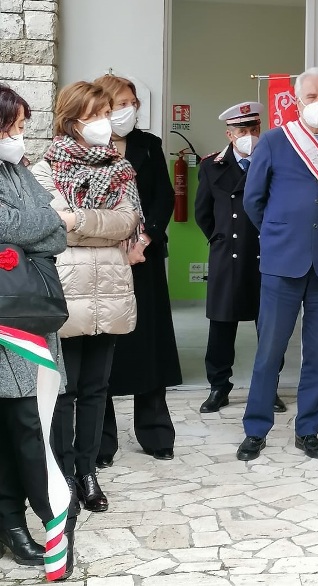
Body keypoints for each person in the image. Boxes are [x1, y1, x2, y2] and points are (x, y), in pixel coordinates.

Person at [239, 67, 318, 461]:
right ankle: (256, 429)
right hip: (282, 262)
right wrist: (281, 232)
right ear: (296, 100)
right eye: (311, 97)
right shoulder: (274, 141)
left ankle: (308, 430)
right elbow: (253, 200)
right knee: (269, 351)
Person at [32, 81, 141, 516]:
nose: (103, 123)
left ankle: (88, 470)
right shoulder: (45, 168)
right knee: (66, 389)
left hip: (110, 289)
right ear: (71, 120)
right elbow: (50, 227)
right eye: (94, 115)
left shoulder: (121, 168)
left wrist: (77, 220)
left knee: (97, 388)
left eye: (105, 113)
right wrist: (96, 224)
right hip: (66, 291)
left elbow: (127, 222)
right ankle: (64, 474)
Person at [0, 84, 73, 577]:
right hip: (8, 315)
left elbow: (56, 231)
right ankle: (35, 521)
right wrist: (42, 222)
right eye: (14, 128)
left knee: (24, 419)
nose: (19, 138)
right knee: (22, 421)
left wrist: (36, 224)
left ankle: (15, 522)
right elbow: (32, 224)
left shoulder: (17, 170)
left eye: (22, 129)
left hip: (28, 310)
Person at [94, 75, 182, 465]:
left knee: (150, 343)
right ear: (102, 106)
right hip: (102, 259)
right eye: (121, 103)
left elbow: (163, 198)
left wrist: (143, 240)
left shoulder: (149, 145)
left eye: (133, 103)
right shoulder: (85, 146)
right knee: (103, 347)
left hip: (143, 258)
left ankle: (155, 432)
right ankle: (101, 442)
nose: (129, 110)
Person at [195, 101, 285, 415]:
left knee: (270, 327)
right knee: (221, 326)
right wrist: (220, 239)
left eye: (253, 129)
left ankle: (269, 387)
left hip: (267, 253)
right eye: (241, 130)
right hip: (227, 255)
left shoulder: (275, 162)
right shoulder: (211, 166)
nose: (249, 135)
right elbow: (203, 213)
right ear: (229, 134)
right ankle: (219, 387)